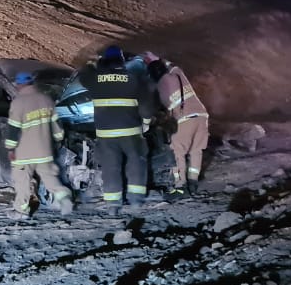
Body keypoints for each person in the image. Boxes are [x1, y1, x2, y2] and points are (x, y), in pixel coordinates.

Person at [79, 45, 155, 214]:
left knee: (110, 167)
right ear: (122, 61)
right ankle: (136, 201)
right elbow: (146, 107)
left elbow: (83, 76)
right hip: (131, 132)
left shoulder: (95, 79)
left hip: (106, 135)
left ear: (104, 61)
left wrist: (92, 62)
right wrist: (147, 122)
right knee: (136, 163)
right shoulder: (133, 78)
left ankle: (113, 205)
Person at [5, 71, 74, 220]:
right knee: (49, 177)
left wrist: (10, 148)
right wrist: (58, 138)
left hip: (24, 152)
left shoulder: (18, 102)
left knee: (22, 180)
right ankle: (64, 198)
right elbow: (57, 126)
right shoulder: (46, 99)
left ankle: (21, 211)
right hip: (45, 150)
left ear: (19, 84)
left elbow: (13, 129)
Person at [149, 57, 209, 197]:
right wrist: (158, 58)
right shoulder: (178, 74)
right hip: (202, 116)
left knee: (177, 153)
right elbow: (172, 64)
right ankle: (193, 183)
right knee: (196, 150)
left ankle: (180, 187)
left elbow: (163, 111)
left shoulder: (160, 88)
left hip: (184, 119)